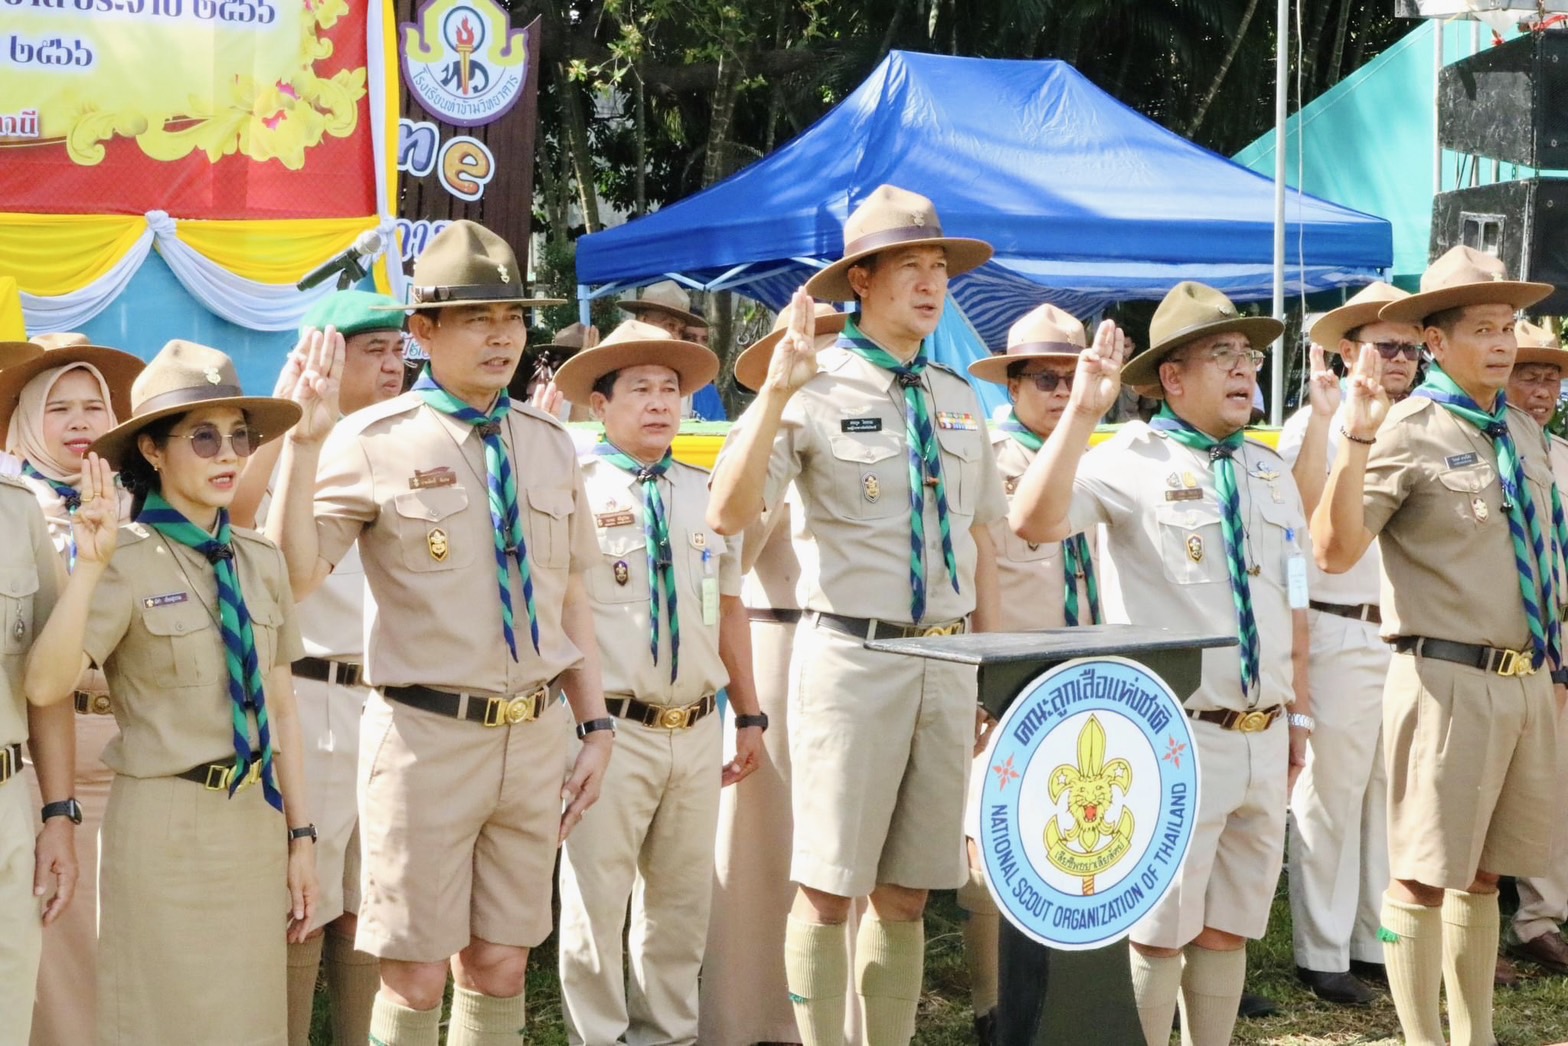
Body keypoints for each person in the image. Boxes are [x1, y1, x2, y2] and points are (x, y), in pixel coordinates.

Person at [264, 219, 614, 1046]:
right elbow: (292, 579)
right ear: (423, 331)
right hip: (426, 739)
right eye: (476, 319)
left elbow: (569, 596)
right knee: (415, 975)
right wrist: (302, 446)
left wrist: (595, 724)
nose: (501, 337)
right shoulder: (371, 441)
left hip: (533, 737)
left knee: (500, 964)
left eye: (512, 317)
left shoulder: (549, 443)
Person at [707, 184, 1005, 1046]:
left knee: (907, 894)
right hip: (853, 658)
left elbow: (981, 542)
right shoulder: (812, 385)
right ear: (861, 281)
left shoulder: (958, 395)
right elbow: (726, 513)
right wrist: (773, 396)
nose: (931, 281)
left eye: (939, 265)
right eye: (909, 265)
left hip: (947, 662)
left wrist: (987, 664)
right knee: (830, 887)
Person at [1009, 281, 1312, 1046]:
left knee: (1230, 928)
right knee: (1159, 930)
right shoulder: (1129, 460)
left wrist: (1300, 713)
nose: (1244, 369)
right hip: (1177, 734)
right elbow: (1032, 521)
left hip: (1265, 729)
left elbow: (1295, 600)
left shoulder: (1269, 469)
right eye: (1222, 354)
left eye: (1249, 356)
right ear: (1171, 377)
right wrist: (1083, 413)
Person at [24, 339, 318, 1044]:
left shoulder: (259, 558)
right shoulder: (122, 558)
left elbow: (282, 708)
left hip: (253, 821)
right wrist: (89, 568)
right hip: (163, 828)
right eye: (203, 437)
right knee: (159, 1022)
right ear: (152, 450)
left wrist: (301, 835)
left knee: (249, 1026)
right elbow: (45, 684)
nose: (228, 454)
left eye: (240, 436)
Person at [1311, 245, 1561, 1046]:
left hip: (1525, 680)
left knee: (1486, 874)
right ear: (1435, 341)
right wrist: (1355, 438)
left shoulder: (1519, 429)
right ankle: (1423, 1038)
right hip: (1446, 677)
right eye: (1483, 329)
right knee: (1422, 876)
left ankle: (1473, 1035)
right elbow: (1335, 550)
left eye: (1508, 327)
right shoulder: (1408, 429)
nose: (1503, 343)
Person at [550, 320, 762, 1045]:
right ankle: (597, 1037)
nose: (658, 403)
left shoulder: (709, 494)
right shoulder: (574, 492)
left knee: (680, 907)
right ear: (600, 405)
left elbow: (727, 608)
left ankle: (669, 1035)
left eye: (670, 389)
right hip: (609, 730)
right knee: (596, 904)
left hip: (696, 728)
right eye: (638, 388)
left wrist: (749, 714)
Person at [227, 289, 409, 1046]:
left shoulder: (411, 444)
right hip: (312, 695)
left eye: (400, 351)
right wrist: (286, 421)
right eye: (374, 351)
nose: (393, 366)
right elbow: (236, 518)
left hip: (395, 702)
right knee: (302, 900)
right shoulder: (292, 447)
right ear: (324, 358)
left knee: (376, 896)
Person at [701, 303, 846, 1046]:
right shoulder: (762, 436)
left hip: (851, 651)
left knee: (840, 846)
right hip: (776, 644)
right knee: (764, 846)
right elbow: (728, 556)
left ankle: (832, 1018)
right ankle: (749, 1017)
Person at [961, 302, 1103, 1043]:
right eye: (1046, 379)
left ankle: (1062, 991)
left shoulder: (1094, 456)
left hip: (1090, 676)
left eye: (1073, 377)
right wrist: (980, 677)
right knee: (995, 845)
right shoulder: (987, 459)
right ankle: (993, 1007)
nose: (1062, 392)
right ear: (1012, 385)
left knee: (1076, 836)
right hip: (1011, 677)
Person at [1278, 282, 1421, 1005]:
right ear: (1345, 350)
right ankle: (1322, 951)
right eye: (1386, 346)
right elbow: (1297, 533)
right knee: (1330, 791)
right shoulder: (1316, 424)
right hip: (1335, 622)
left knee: (1386, 795)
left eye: (1413, 349)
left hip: (1400, 633)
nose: (1401, 360)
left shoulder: (1420, 424)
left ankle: (1371, 940)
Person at [0, 339, 143, 1045]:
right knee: (56, 970)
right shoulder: (20, 512)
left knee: (130, 963)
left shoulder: (147, 512)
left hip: (131, 761)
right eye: (58, 408)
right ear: (24, 421)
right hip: (35, 770)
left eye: (94, 406)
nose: (80, 421)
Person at [1501, 316, 1568, 975]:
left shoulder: (1563, 456)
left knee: (1557, 782)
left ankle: (1543, 915)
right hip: (1511, 639)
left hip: (1562, 636)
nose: (1542, 390)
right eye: (1529, 376)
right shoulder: (1488, 450)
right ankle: (1486, 914)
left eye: (1551, 379)